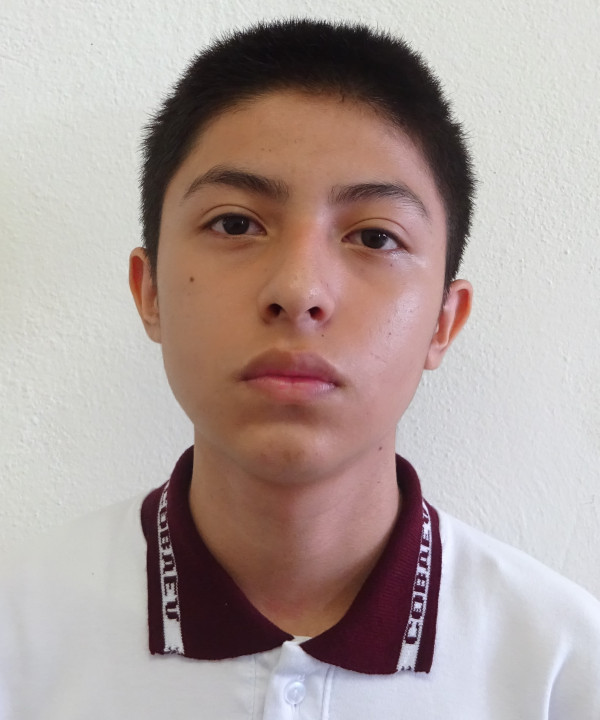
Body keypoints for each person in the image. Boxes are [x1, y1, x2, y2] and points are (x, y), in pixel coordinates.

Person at [1, 18, 599, 720]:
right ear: (150, 290)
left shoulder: (562, 670)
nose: (299, 290)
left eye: (374, 236)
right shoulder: (19, 638)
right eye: (235, 224)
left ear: (444, 321)